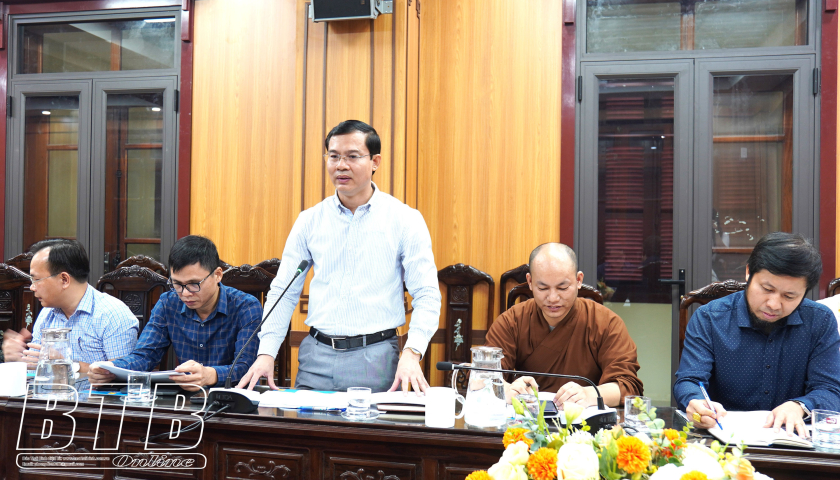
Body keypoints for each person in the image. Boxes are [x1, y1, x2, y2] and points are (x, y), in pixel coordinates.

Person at [237, 120, 441, 393]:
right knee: (308, 434)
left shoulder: (405, 220)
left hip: (376, 357)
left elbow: (427, 294)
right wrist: (266, 353)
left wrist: (413, 352)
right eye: (333, 156)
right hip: (315, 356)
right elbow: (283, 292)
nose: (340, 165)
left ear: (375, 161)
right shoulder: (309, 220)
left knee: (369, 436)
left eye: (352, 156)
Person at [674, 232, 840, 437]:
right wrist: (695, 401)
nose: (773, 304)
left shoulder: (820, 321)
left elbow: (830, 390)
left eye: (789, 296)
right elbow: (689, 380)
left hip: (794, 443)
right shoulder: (709, 318)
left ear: (805, 292)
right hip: (723, 442)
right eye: (766, 288)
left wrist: (800, 406)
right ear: (748, 273)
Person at [88, 235, 262, 391]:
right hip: (185, 401)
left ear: (217, 275)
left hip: (234, 401)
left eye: (194, 284)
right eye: (177, 284)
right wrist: (110, 368)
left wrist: (210, 375)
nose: (185, 293)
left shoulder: (246, 307)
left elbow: (246, 366)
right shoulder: (168, 303)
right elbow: (145, 355)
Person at [485, 243, 643, 408]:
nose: (553, 298)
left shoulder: (606, 323)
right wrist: (507, 389)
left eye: (563, 287)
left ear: (578, 280)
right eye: (543, 287)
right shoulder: (512, 321)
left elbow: (627, 386)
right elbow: (483, 375)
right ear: (530, 282)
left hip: (585, 425)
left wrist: (590, 394)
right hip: (525, 422)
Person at [1, 239, 138, 373]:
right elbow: (36, 369)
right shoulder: (47, 314)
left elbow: (122, 375)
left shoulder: (113, 314)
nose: (32, 287)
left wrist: (67, 365)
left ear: (64, 279)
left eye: (36, 279)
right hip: (51, 395)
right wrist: (17, 360)